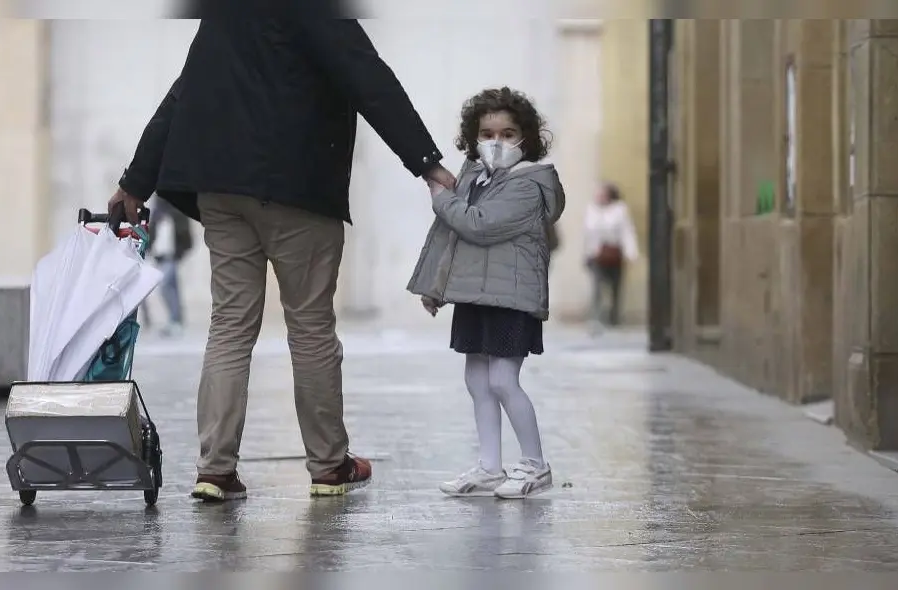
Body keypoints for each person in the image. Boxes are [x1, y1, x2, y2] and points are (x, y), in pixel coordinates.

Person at [108, 13, 457, 502]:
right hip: (298, 188)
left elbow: (184, 91)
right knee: (310, 327)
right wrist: (427, 163)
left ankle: (215, 469)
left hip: (222, 187)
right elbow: (366, 74)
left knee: (229, 326)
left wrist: (135, 182)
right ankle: (329, 465)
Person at [408, 87, 565, 499]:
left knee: (503, 380)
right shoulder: (476, 179)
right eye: (487, 133)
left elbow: (477, 225)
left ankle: (535, 465)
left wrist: (440, 197)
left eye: (508, 134)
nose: (496, 142)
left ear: (525, 138)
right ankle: (490, 467)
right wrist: (437, 288)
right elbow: (452, 240)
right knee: (477, 379)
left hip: (512, 298)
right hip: (476, 296)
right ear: (473, 137)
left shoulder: (527, 185)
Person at [583, 182, 639, 329]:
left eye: (602, 194)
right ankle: (596, 316)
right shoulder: (592, 210)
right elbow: (588, 234)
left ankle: (614, 317)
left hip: (614, 254)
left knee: (616, 287)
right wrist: (587, 254)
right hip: (597, 255)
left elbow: (627, 232)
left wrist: (631, 253)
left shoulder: (620, 210)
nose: (599, 197)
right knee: (597, 286)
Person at [146, 196, 193, 338]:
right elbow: (152, 233)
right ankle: (176, 321)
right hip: (159, 256)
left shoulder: (178, 213)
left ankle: (175, 320)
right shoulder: (157, 214)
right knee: (173, 288)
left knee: (165, 286)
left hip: (171, 257)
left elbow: (185, 235)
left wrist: (180, 252)